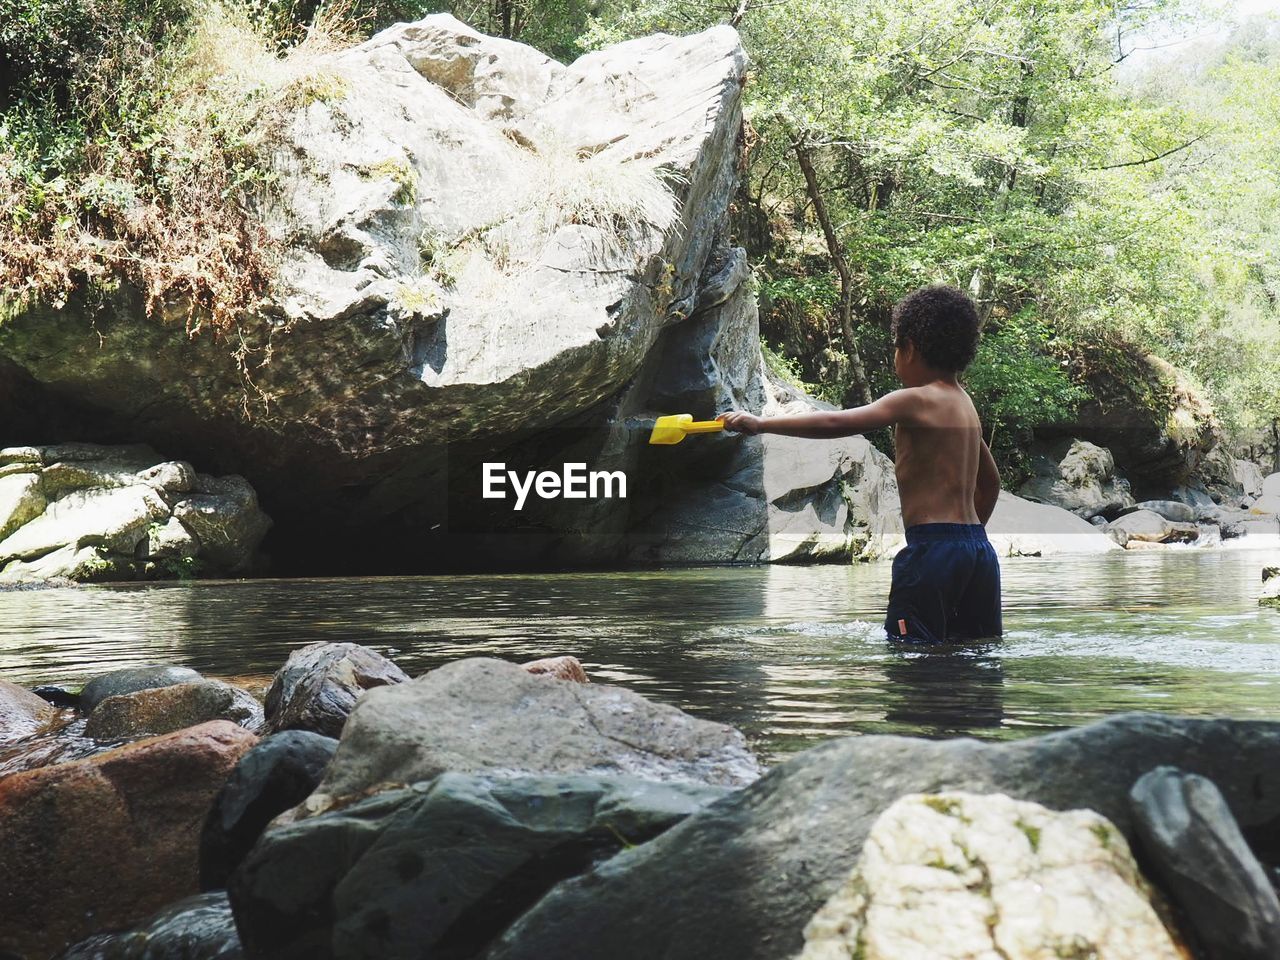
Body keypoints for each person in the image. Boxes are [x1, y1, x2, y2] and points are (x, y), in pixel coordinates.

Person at [719, 284, 1002, 643]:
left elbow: (837, 423)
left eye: (896, 348)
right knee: (974, 654)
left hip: (932, 550)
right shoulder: (966, 408)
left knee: (911, 653)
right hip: (978, 553)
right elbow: (990, 483)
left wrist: (761, 424)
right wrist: (965, 542)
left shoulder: (915, 400)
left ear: (910, 348)